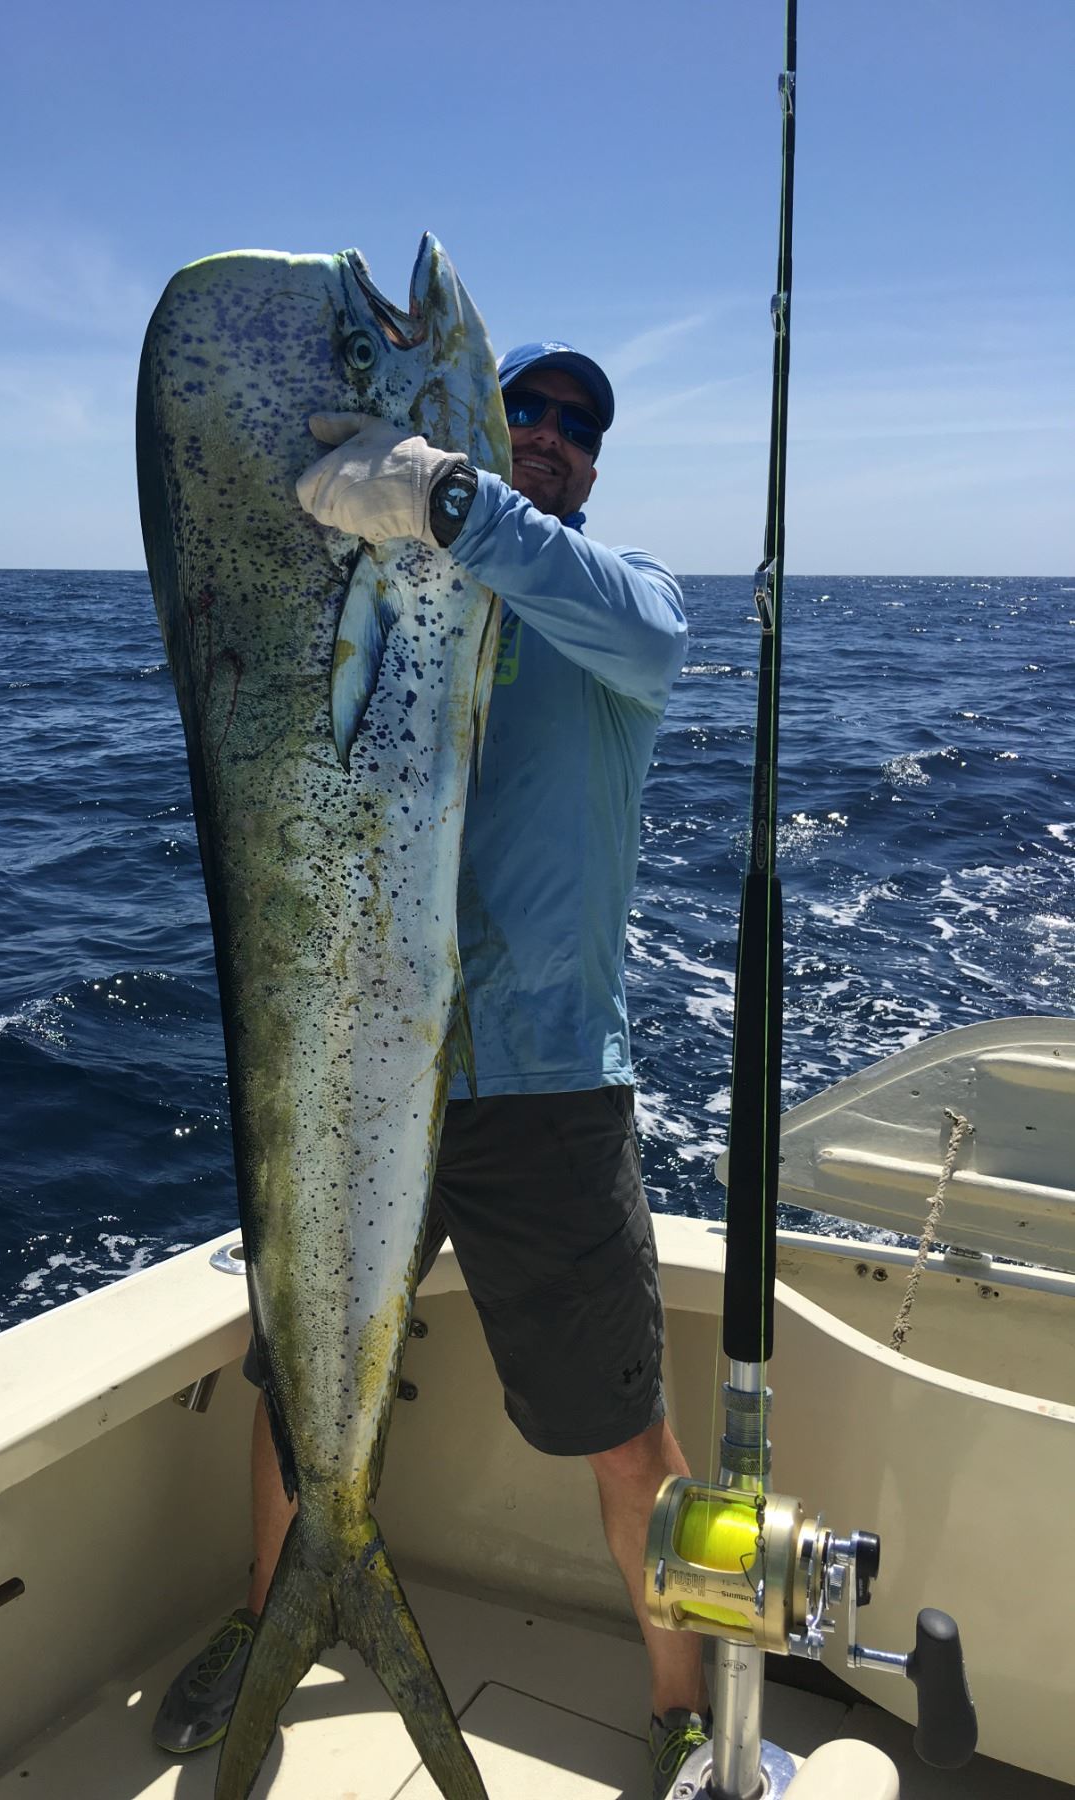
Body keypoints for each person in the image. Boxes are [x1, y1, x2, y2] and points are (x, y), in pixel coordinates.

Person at [153, 342, 709, 1799]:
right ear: (486, 421)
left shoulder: (616, 603)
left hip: (542, 1088)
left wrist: (448, 498)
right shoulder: (404, 589)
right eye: (525, 408)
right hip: (361, 1068)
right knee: (300, 1390)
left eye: (579, 424)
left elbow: (654, 639)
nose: (552, 431)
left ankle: (682, 1710)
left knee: (625, 1433)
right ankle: (271, 1622)